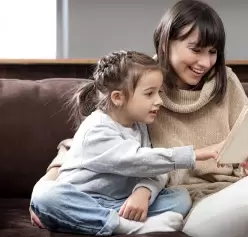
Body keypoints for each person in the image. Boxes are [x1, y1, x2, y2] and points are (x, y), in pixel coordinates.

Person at [31, 0, 248, 237]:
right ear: (166, 41)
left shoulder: (225, 81)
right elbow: (88, 144)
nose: (205, 62)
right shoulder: (143, 87)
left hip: (245, 194)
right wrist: (46, 189)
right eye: (195, 49)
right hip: (193, 209)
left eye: (212, 52)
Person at [30, 50, 223, 235]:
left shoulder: (140, 126)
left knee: (180, 198)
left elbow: (157, 169)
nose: (159, 101)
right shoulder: (96, 129)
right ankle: (122, 226)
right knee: (45, 198)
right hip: (82, 201)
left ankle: (116, 218)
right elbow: (136, 159)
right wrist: (194, 154)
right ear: (118, 97)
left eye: (159, 93)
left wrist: (143, 191)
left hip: (119, 202)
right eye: (150, 94)